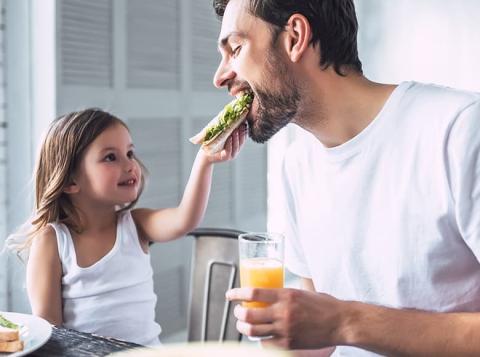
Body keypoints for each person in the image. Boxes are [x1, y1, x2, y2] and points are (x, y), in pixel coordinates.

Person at [211, 0, 480, 356]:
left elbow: (336, 324)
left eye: (236, 49)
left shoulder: (461, 129)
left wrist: (345, 321)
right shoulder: (296, 166)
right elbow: (322, 340)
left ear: (295, 37)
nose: (220, 76)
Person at [7, 108, 246, 346]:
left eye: (130, 153)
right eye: (111, 157)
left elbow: (185, 219)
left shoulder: (136, 225)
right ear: (70, 180)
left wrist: (205, 160)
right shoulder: (52, 240)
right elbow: (50, 333)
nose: (130, 165)